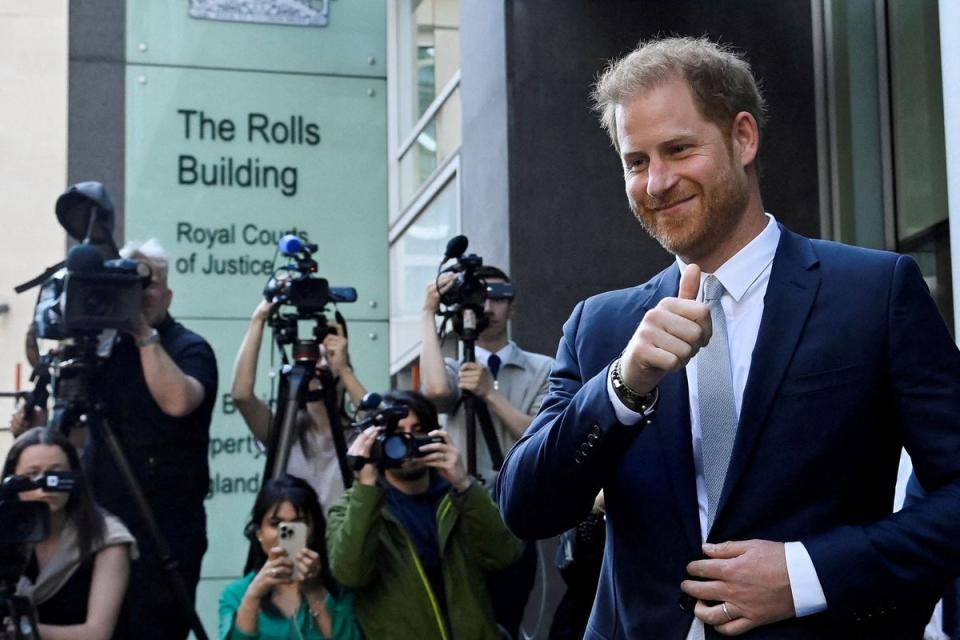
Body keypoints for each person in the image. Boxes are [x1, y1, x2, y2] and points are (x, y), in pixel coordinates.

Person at [497, 36, 960, 639]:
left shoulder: (873, 293)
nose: (657, 181)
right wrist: (622, 387)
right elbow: (525, 507)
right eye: (636, 162)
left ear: (743, 137)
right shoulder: (601, 326)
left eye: (679, 149)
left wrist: (806, 574)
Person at [82, 238, 218, 639]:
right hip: (103, 524)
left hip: (165, 532)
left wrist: (141, 331)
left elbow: (178, 401)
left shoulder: (189, 347)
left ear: (168, 293)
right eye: (128, 284)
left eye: (148, 282)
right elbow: (79, 432)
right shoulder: (104, 350)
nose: (139, 293)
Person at [326, 390, 524, 639]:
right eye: (397, 434)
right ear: (378, 441)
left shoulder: (461, 498)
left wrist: (464, 485)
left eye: (419, 430)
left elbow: (506, 554)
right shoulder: (354, 508)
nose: (409, 442)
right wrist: (365, 487)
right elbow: (350, 574)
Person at [421, 266, 553, 485]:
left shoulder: (544, 368)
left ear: (512, 307)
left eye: (498, 299)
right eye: (480, 299)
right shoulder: (454, 369)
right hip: (465, 495)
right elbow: (436, 390)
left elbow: (545, 436)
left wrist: (490, 393)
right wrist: (427, 312)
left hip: (525, 491)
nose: (489, 309)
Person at [232, 299, 366, 511]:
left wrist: (343, 369)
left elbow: (382, 422)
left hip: (344, 541)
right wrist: (258, 320)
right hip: (294, 541)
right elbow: (242, 396)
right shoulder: (286, 432)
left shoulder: (358, 436)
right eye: (313, 358)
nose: (318, 366)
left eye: (327, 357)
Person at [6, 427, 137, 639]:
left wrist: (23, 630)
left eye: (56, 473)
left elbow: (97, 634)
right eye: (32, 474)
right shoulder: (7, 530)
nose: (45, 485)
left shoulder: (107, 536)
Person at [218, 474, 362, 640]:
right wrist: (253, 595)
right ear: (259, 533)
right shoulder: (237, 594)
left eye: (298, 523)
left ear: (314, 530)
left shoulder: (340, 588)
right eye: (275, 524)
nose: (286, 532)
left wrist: (314, 591)